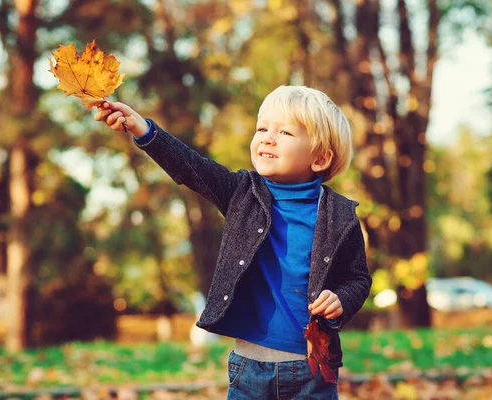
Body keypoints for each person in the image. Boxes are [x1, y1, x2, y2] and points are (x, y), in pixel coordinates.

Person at [94, 85, 372, 399]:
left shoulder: (341, 215)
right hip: (250, 368)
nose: (268, 137)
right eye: (263, 128)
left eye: (285, 133)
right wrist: (143, 129)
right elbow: (191, 167)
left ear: (320, 158)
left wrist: (340, 300)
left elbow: (357, 278)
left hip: (313, 372)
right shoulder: (242, 192)